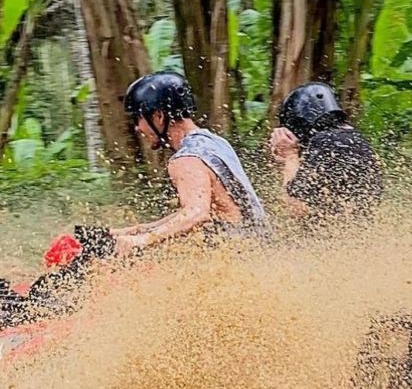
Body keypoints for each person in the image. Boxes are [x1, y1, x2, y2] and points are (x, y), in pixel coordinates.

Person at [112, 71, 267, 254]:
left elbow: (196, 213)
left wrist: (141, 240)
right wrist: (140, 230)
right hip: (257, 244)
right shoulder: (215, 142)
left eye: (138, 118)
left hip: (236, 251)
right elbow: (214, 209)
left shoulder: (186, 159)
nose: (138, 128)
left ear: (158, 116)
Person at [269, 82, 383, 220]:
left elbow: (296, 206)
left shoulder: (325, 141)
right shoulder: (356, 140)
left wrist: (290, 154)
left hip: (335, 230)